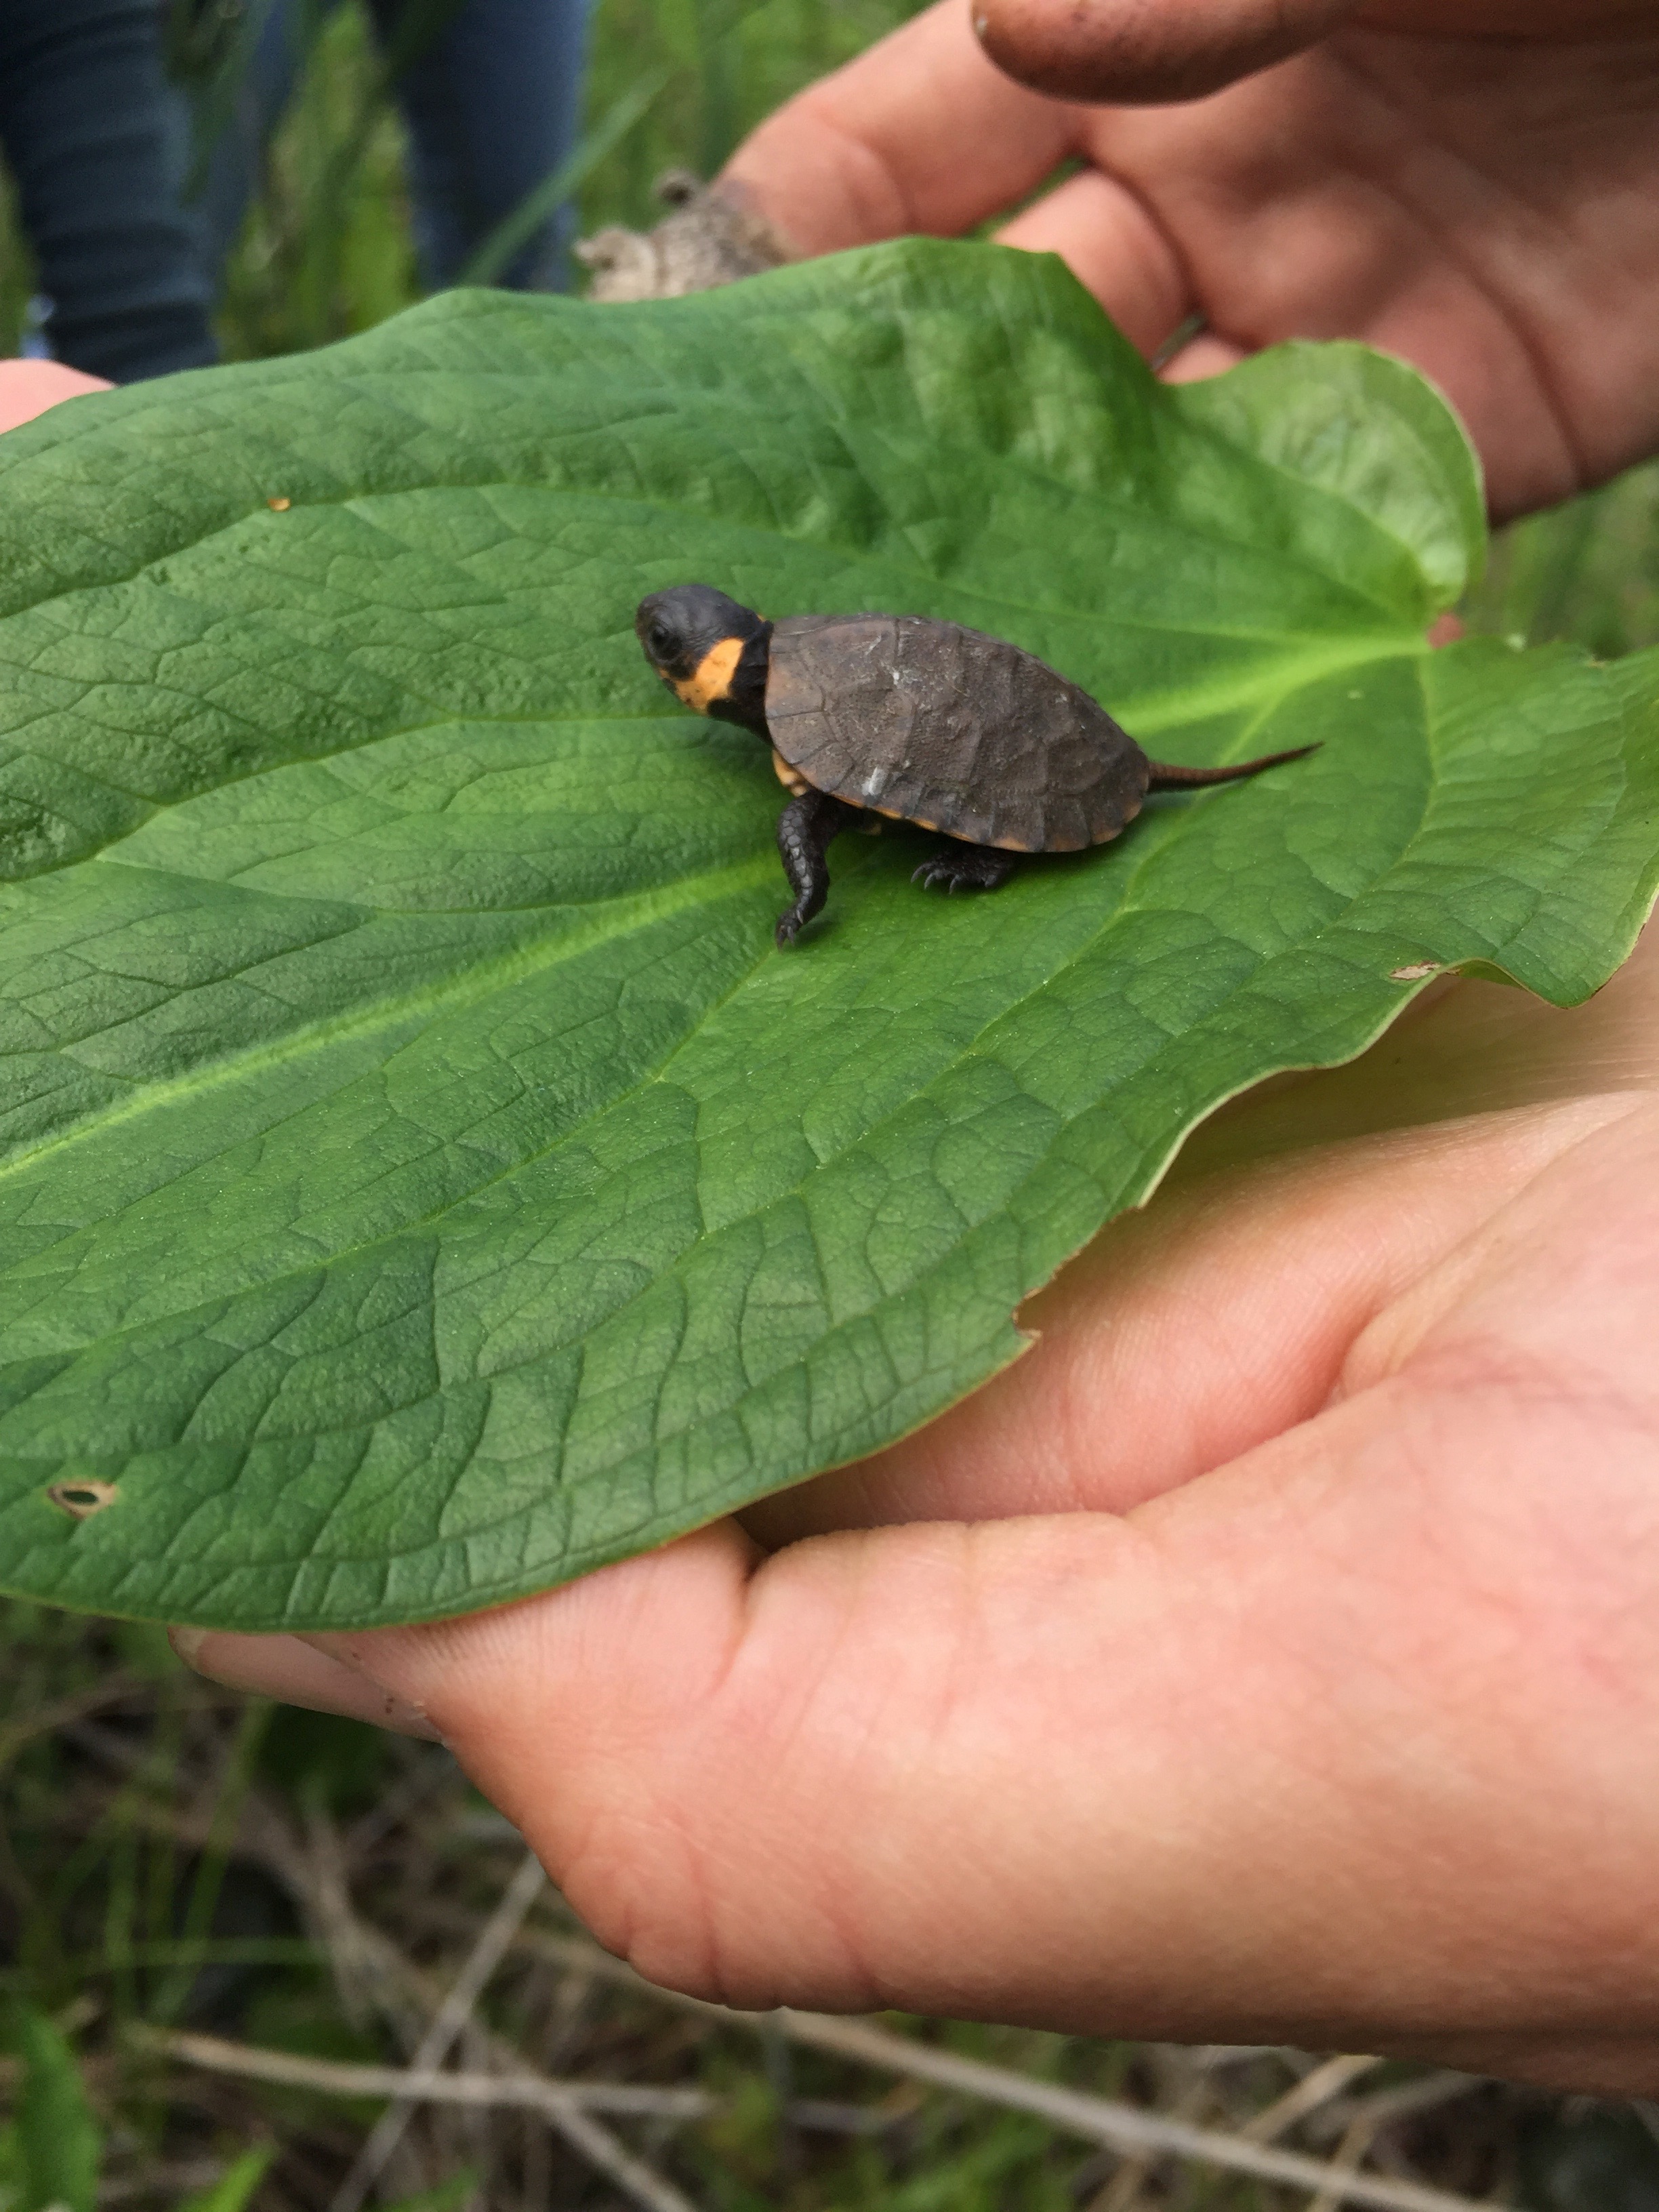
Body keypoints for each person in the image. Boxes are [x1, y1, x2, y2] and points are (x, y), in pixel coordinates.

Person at [11, 0, 1659, 2095]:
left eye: (670, 653)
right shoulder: (786, 686)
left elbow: (825, 835)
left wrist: (824, 905)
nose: (667, 665)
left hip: (1042, 763)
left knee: (1059, 807)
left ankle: (1111, 808)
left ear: (713, 671)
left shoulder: (800, 737)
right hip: (992, 690)